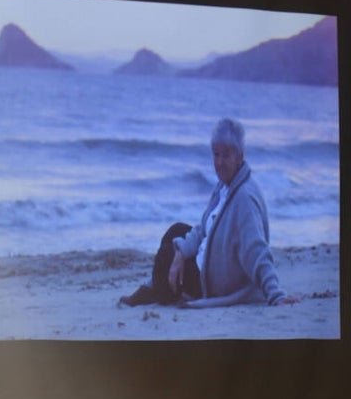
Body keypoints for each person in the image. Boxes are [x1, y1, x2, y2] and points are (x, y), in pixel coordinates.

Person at [120, 117, 300, 308]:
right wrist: (181, 254)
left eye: (226, 155)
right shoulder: (225, 185)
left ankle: (157, 292)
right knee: (176, 231)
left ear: (240, 157)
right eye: (216, 154)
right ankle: (155, 286)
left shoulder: (244, 198)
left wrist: (275, 294)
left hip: (211, 280)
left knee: (165, 256)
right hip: (210, 256)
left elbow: (257, 249)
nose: (219, 162)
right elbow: (206, 228)